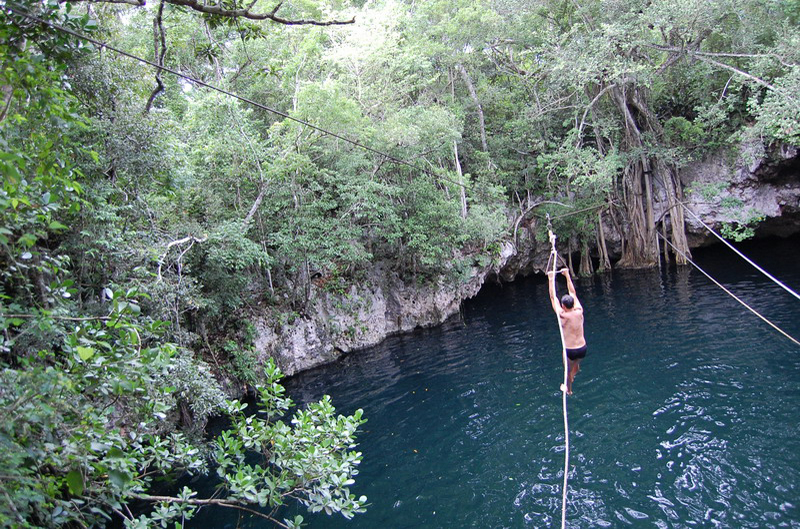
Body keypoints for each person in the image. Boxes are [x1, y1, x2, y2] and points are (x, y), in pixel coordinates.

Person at [547, 268, 586, 395]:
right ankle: (573, 376)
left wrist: (551, 279)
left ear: (564, 306)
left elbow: (553, 298)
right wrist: (567, 275)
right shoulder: (579, 311)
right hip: (582, 348)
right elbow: (573, 293)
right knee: (576, 366)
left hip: (569, 350)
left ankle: (568, 389)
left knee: (567, 372)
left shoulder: (562, 315)